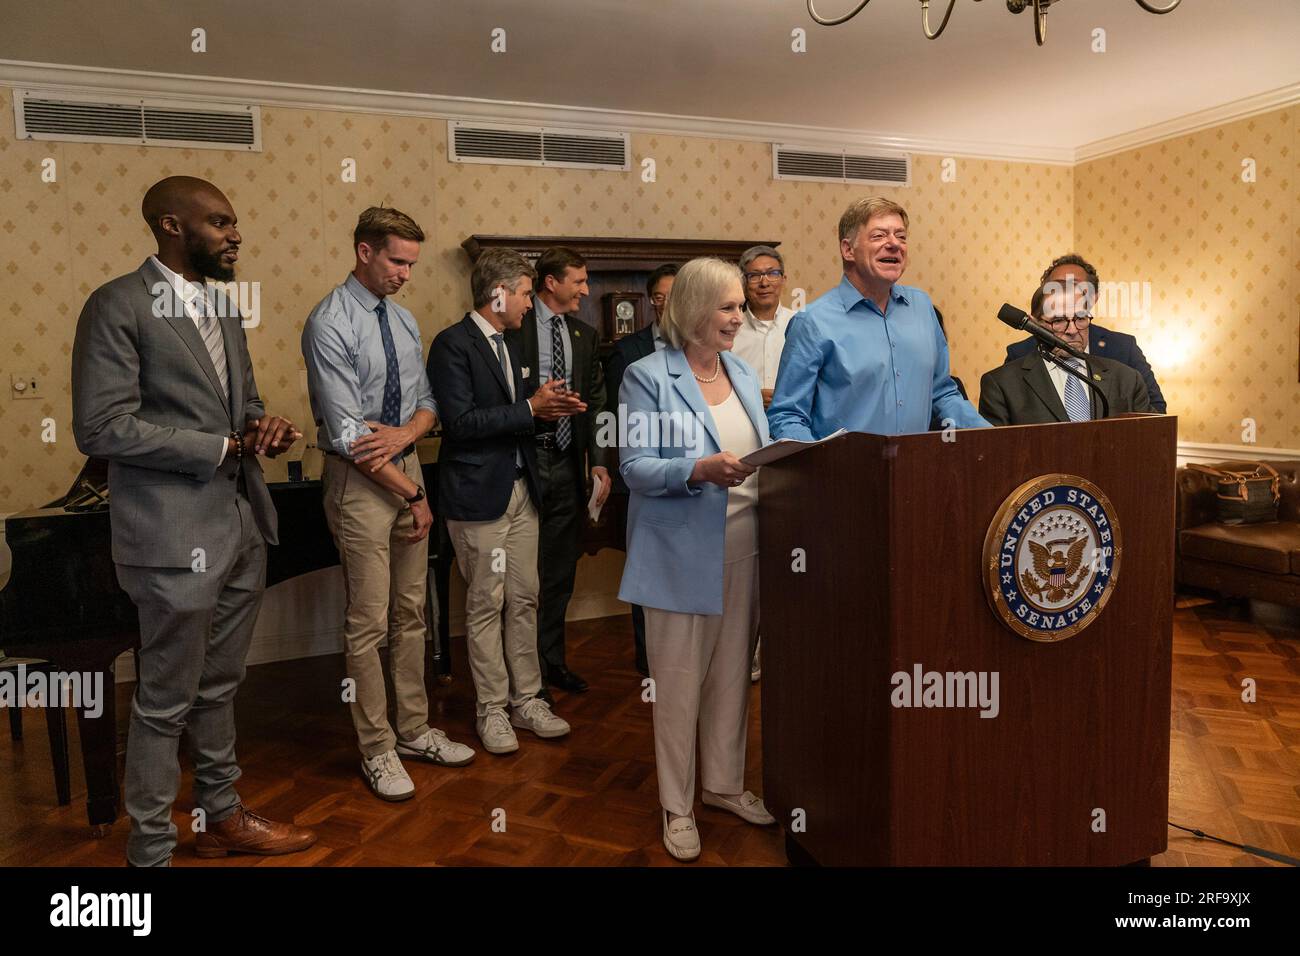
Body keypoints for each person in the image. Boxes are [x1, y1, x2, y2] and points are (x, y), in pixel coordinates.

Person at [71, 176, 317, 866]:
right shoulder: (116, 304)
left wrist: (263, 427)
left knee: (220, 686)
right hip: (170, 535)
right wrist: (221, 448)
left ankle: (221, 818)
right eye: (219, 222)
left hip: (242, 526)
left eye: (234, 222)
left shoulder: (224, 308)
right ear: (170, 225)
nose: (235, 234)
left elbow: (242, 408)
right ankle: (150, 851)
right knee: (162, 700)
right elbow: (101, 427)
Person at [302, 206, 475, 802]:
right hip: (362, 483)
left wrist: (406, 437)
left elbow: (427, 405)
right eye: (397, 260)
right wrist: (414, 492)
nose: (406, 273)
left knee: (412, 616)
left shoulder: (402, 321)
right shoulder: (328, 322)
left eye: (412, 263)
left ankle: (414, 730)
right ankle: (376, 748)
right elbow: (350, 435)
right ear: (364, 251)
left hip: (402, 466)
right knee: (368, 623)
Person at [617, 257, 776, 862]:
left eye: (740, 306)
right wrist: (696, 470)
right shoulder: (646, 377)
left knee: (734, 676)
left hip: (747, 548)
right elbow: (634, 467)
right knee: (679, 686)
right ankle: (677, 806)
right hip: (681, 556)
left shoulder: (738, 369)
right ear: (691, 310)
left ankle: (724, 785)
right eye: (728, 307)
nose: (740, 316)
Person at [428, 248, 579, 754]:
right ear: (499, 293)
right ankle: (490, 710)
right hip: (477, 498)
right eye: (523, 292)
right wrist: (528, 408)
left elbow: (516, 414)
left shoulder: (511, 347)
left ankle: (528, 699)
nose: (529, 304)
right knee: (486, 604)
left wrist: (547, 406)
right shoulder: (451, 345)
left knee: (526, 598)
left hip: (522, 491)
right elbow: (462, 424)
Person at [768, 197, 988, 439]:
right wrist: (824, 469)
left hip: (916, 470)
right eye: (879, 236)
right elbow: (787, 416)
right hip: (843, 473)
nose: (894, 244)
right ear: (847, 249)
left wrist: (995, 437)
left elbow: (942, 393)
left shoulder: (922, 307)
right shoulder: (812, 322)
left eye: (901, 236)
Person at [505, 247, 611, 697]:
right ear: (551, 282)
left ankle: (552, 664)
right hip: (523, 463)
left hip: (569, 465)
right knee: (520, 579)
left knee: (559, 572)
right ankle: (520, 677)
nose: (585, 291)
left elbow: (600, 406)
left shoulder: (585, 336)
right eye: (579, 281)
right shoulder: (513, 329)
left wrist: (601, 463)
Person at [605, 263, 676, 677]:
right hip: (643, 474)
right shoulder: (628, 352)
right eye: (665, 296)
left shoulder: (708, 353)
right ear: (653, 301)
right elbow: (619, 421)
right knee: (646, 571)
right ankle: (649, 662)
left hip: (691, 477)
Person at [1004, 254, 1166, 413]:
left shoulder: (1123, 348)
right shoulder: (1019, 354)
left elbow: (1154, 413)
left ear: (1093, 298)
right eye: (1056, 287)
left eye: (1075, 287)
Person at [979, 282, 1152, 426]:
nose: (1072, 330)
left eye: (1081, 318)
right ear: (1035, 325)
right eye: (1059, 321)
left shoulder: (1127, 379)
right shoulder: (1001, 385)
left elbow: (1147, 443)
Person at [732, 245, 796, 408]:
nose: (764, 282)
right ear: (743, 283)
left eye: (772, 273)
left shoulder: (800, 324)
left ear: (784, 280)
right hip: (744, 424)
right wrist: (751, 397)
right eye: (754, 276)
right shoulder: (730, 329)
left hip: (793, 423)